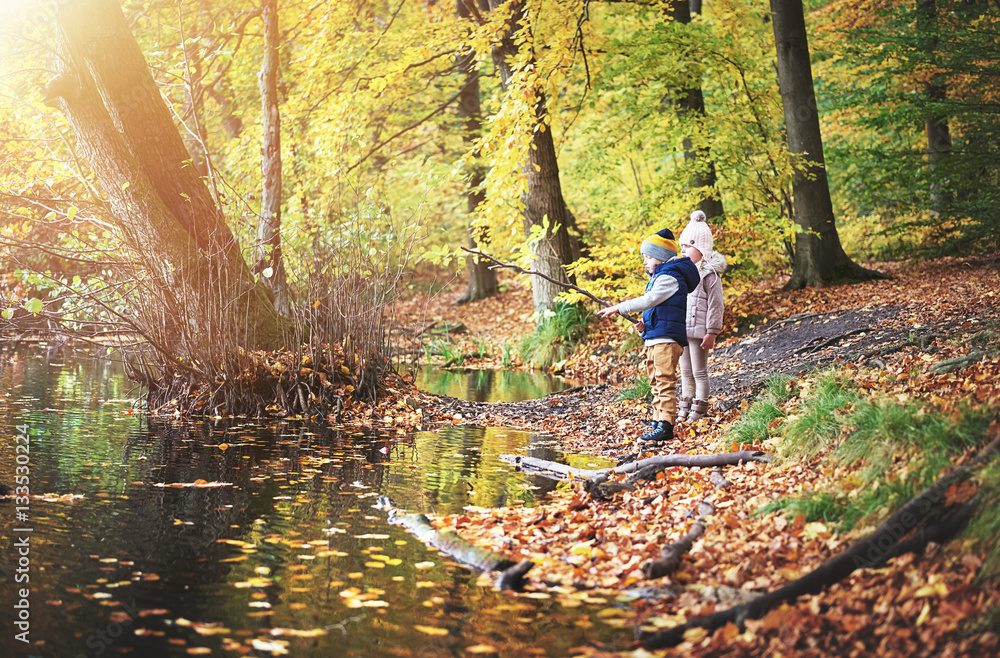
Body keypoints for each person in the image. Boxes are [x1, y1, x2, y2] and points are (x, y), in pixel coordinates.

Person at [597, 226, 700, 444]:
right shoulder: (658, 278)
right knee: (655, 381)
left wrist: (619, 307)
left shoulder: (670, 278)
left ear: (661, 257)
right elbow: (656, 309)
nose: (645, 261)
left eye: (649, 257)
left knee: (664, 381)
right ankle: (657, 420)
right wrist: (645, 324)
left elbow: (648, 301)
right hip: (656, 337)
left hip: (666, 341)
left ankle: (666, 425)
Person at [676, 210, 726, 424]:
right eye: (682, 246)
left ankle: (700, 408)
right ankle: (685, 407)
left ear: (701, 248)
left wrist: (712, 332)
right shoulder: (681, 272)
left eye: (687, 245)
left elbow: (716, 305)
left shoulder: (710, 275)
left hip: (700, 333)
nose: (683, 249)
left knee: (699, 371)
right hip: (682, 330)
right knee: (685, 371)